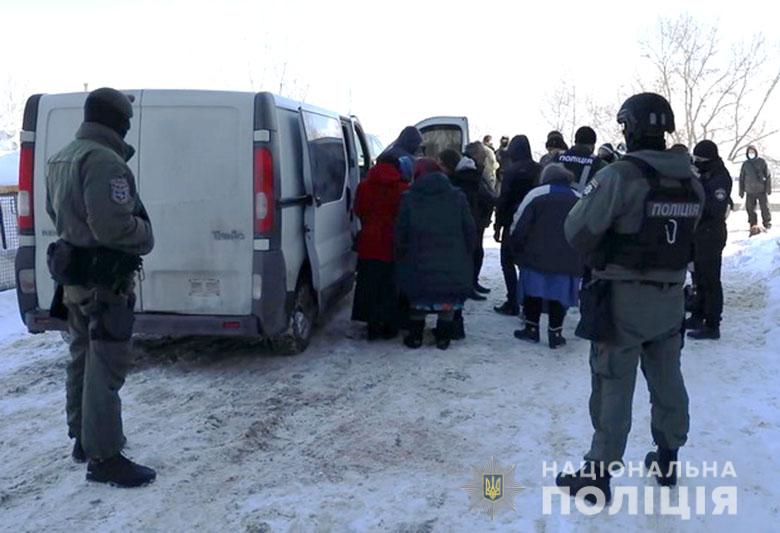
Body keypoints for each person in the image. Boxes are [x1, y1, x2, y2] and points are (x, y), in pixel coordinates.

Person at [556, 93, 705, 502]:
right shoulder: (691, 180)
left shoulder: (620, 175)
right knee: (667, 377)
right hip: (671, 297)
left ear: (630, 127)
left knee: (612, 383)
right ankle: (668, 456)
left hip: (622, 299)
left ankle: (599, 474)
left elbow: (577, 231)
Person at [44, 88, 156, 487]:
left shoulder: (63, 156)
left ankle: (83, 438)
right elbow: (113, 227)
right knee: (105, 368)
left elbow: (53, 211)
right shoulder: (105, 161)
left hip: (75, 279)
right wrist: (145, 233)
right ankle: (105, 457)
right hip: (105, 283)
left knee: (81, 359)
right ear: (117, 121)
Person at [395, 168, 476, 350]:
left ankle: (415, 337)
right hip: (453, 259)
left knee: (418, 295)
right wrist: (467, 252)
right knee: (447, 296)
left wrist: (401, 253)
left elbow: (401, 231)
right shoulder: (458, 198)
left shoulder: (409, 198)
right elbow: (470, 229)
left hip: (417, 258)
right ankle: (443, 337)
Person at [509, 164, 582, 348]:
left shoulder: (536, 194)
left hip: (535, 256)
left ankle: (531, 329)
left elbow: (520, 225)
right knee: (559, 295)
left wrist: (516, 247)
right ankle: (555, 334)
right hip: (568, 258)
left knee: (533, 292)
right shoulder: (578, 197)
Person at [352, 162, 409, 340]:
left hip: (369, 241)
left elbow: (358, 210)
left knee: (370, 284)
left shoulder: (364, 186)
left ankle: (372, 325)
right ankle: (391, 325)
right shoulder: (403, 188)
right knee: (390, 285)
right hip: (393, 242)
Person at [685, 140, 732, 340]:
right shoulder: (706, 174)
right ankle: (697, 314)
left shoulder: (720, 177)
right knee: (698, 279)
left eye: (700, 160)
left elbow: (714, 208)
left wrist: (698, 184)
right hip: (699, 234)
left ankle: (712, 324)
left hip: (711, 234)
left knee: (710, 280)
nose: (697, 163)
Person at [493, 135, 541, 316]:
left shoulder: (511, 171)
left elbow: (503, 199)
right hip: (535, 223)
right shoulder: (539, 169)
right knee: (528, 264)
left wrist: (498, 225)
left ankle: (512, 300)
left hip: (512, 221)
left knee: (507, 261)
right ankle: (530, 302)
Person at [441, 146, 494, 300]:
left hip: (472, 218)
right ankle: (470, 284)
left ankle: (470, 284)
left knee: (472, 253)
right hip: (476, 217)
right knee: (474, 252)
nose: (484, 158)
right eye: (482, 155)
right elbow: (487, 196)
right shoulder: (472, 173)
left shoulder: (461, 177)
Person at [556, 126, 605, 193]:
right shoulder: (598, 163)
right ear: (592, 145)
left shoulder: (558, 157)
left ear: (575, 141)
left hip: (556, 199)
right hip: (584, 201)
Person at [739, 145, 772, 233]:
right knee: (750, 208)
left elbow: (768, 175)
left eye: (753, 152)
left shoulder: (762, 162)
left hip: (761, 190)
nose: (751, 154)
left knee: (765, 208)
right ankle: (753, 224)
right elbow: (742, 178)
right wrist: (741, 191)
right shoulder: (745, 164)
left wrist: (768, 189)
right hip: (750, 191)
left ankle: (767, 223)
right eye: (749, 152)